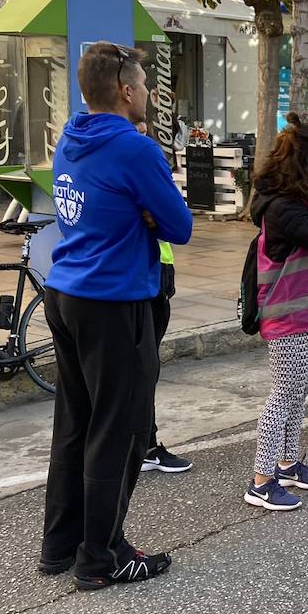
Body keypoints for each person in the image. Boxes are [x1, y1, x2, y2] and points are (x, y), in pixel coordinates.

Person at [38, 42, 193, 590]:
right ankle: (101, 556)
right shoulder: (134, 148)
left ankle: (61, 544)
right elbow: (179, 225)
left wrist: (140, 212)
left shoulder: (70, 141)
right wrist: (148, 214)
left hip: (65, 291)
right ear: (125, 91)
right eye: (145, 83)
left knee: (75, 421)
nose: (149, 91)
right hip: (114, 299)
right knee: (121, 429)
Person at [244, 114, 308, 511]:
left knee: (299, 391)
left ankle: (288, 464)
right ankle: (260, 480)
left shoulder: (299, 199)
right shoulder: (284, 206)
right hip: (288, 316)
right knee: (284, 396)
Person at [133, 122, 191, 475]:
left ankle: (145, 442)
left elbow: (174, 216)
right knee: (142, 368)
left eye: (144, 132)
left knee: (146, 366)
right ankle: (145, 445)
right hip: (143, 277)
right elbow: (176, 219)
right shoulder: (133, 165)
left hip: (159, 270)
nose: (141, 136)